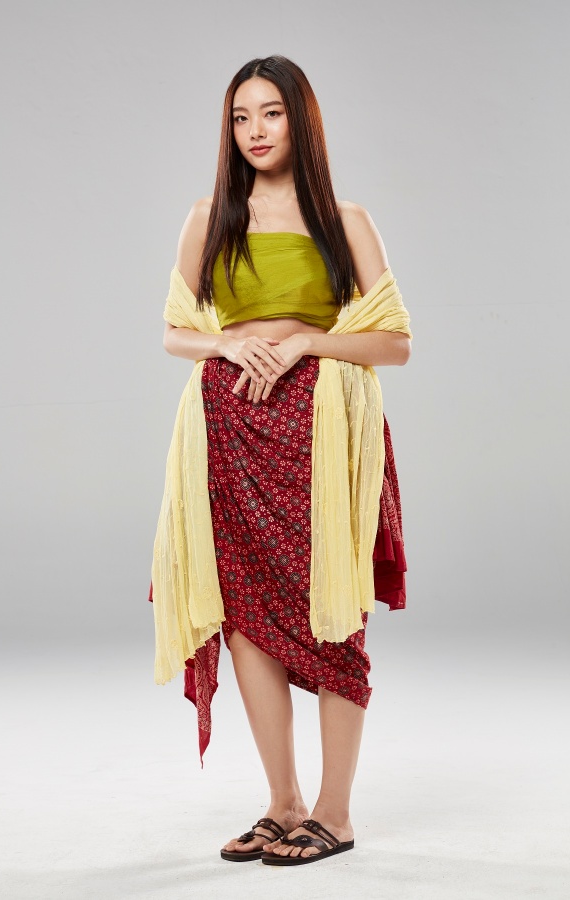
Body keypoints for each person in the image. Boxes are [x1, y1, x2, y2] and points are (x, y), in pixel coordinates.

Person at [148, 54, 413, 866]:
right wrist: (226, 343)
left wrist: (305, 343)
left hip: (321, 432)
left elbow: (394, 342)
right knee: (247, 617)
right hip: (228, 429)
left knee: (333, 609)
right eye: (240, 117)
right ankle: (283, 803)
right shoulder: (209, 217)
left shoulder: (344, 218)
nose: (255, 131)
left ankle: (335, 813)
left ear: (302, 120)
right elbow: (174, 331)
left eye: (270, 113)